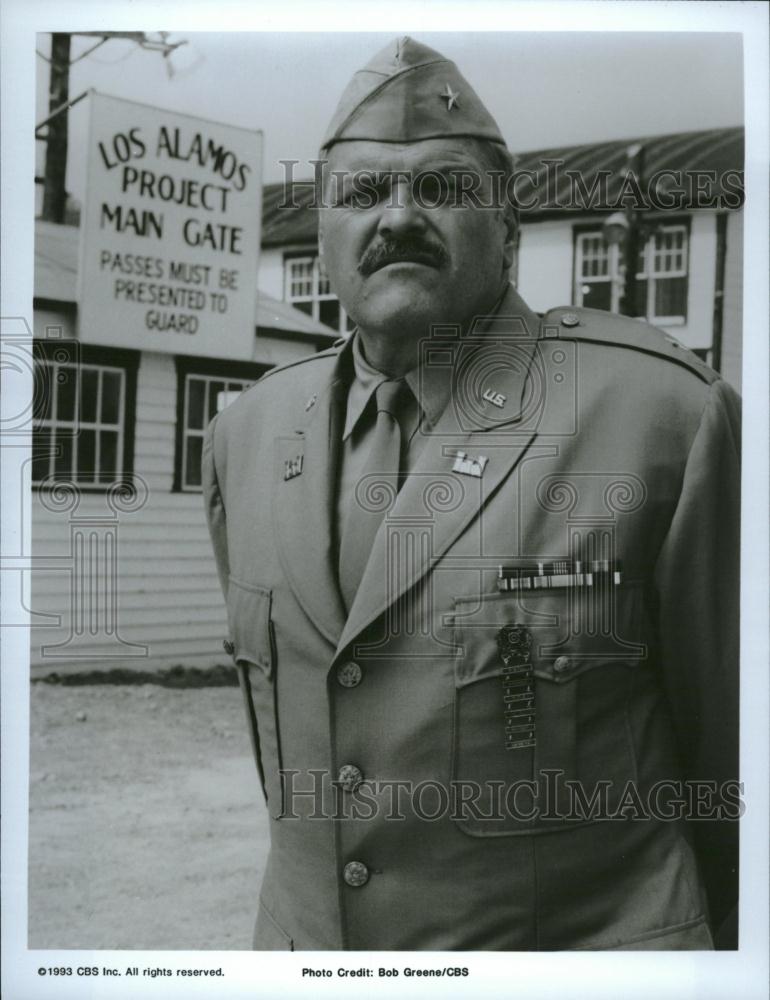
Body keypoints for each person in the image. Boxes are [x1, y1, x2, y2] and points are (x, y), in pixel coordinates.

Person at [203, 36, 740, 951]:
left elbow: (733, 770)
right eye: (363, 193)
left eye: (444, 189)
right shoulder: (247, 436)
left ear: (509, 228)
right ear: (323, 234)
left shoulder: (663, 419)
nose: (399, 218)